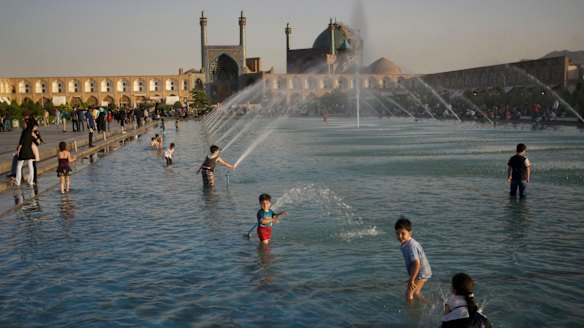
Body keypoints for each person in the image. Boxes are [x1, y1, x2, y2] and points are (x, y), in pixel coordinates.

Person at [395, 216, 432, 301]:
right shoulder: (406, 244)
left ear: (410, 233)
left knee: (409, 293)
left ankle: (411, 310)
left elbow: (417, 263)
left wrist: (412, 279)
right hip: (421, 271)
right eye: (397, 233)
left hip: (421, 272)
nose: (400, 236)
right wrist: (412, 276)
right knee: (416, 292)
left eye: (403, 233)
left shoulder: (411, 245)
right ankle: (429, 303)